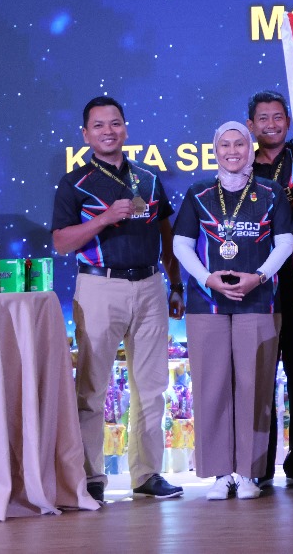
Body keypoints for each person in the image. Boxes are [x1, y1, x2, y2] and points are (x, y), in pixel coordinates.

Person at [52, 96, 184, 503]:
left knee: (152, 385)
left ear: (125, 128)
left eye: (115, 123)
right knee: (92, 388)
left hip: (150, 286)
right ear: (85, 134)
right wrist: (104, 218)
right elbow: (61, 242)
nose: (108, 131)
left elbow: (166, 237)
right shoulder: (74, 183)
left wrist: (175, 285)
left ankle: (146, 474)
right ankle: (91, 476)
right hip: (100, 286)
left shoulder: (148, 178)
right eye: (98, 125)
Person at [171, 122, 293, 500]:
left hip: (258, 300)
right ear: (215, 151)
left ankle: (249, 474)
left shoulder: (271, 192)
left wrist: (259, 277)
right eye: (224, 145)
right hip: (206, 303)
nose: (232, 151)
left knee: (254, 388)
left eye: (239, 143)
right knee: (211, 388)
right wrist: (206, 278)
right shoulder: (198, 193)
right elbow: (180, 244)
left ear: (249, 147)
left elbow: (285, 243)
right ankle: (220, 473)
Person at [247, 90, 293, 489]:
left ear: (288, 122)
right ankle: (259, 466)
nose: (271, 125)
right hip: (256, 280)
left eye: (278, 117)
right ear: (250, 125)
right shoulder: (241, 165)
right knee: (260, 375)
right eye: (263, 118)